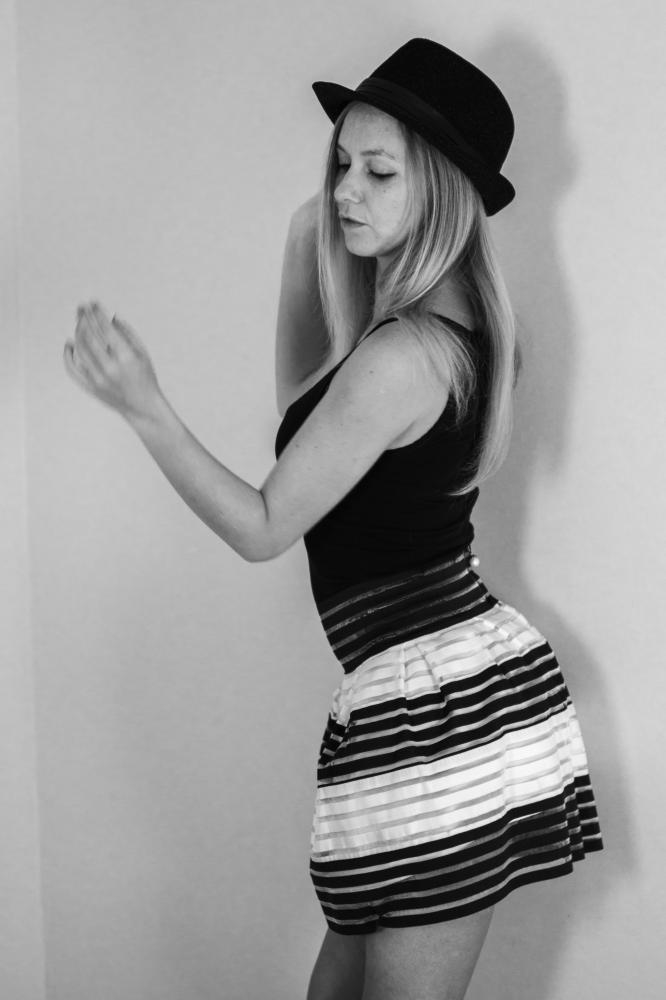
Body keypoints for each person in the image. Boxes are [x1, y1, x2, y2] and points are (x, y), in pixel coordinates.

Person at [64, 36, 603, 1000]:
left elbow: (266, 522)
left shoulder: (404, 357)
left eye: (378, 172)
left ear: (441, 193)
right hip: (432, 694)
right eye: (341, 163)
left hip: (435, 714)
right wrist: (300, 245)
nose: (347, 188)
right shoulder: (446, 334)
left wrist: (145, 408)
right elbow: (304, 421)